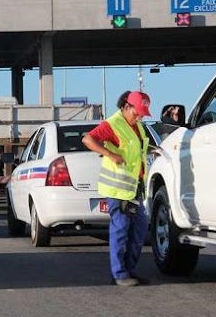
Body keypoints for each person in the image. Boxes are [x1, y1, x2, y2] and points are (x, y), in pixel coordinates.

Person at [82, 90, 151, 287]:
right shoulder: (113, 124)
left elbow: (136, 152)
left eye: (141, 114)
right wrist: (110, 155)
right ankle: (120, 274)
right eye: (136, 113)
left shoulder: (138, 127)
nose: (138, 117)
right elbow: (88, 139)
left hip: (134, 189)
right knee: (120, 231)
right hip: (118, 190)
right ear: (125, 106)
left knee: (138, 231)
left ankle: (129, 271)